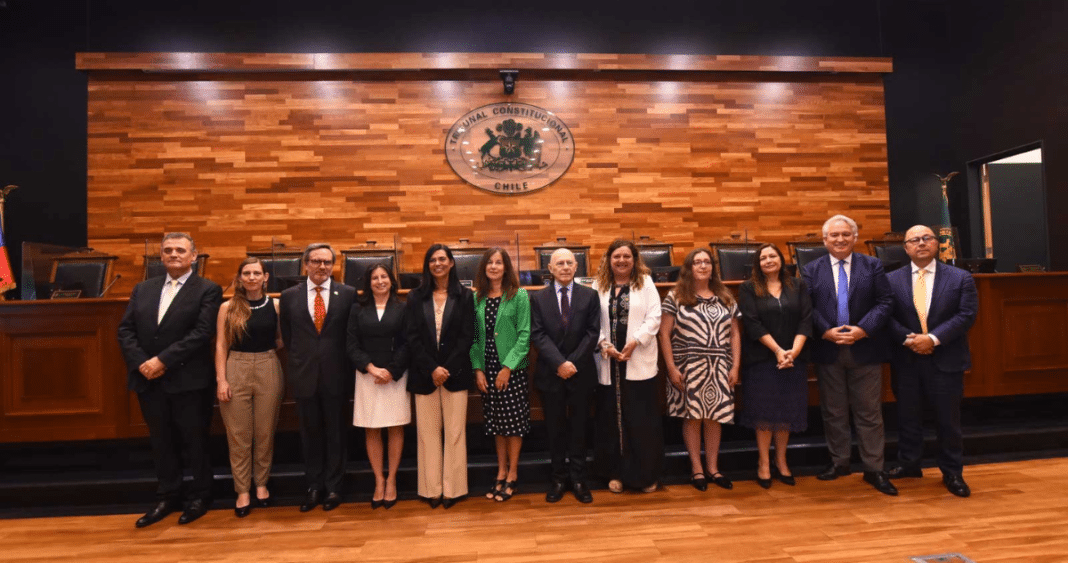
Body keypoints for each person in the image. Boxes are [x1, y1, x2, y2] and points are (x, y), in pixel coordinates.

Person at [117, 232, 222, 527]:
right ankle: (168, 494)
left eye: (180, 250)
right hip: (149, 379)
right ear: (160, 257)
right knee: (160, 440)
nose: (174, 254)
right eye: (168, 250)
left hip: (188, 378)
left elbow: (202, 333)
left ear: (193, 256)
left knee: (194, 440)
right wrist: (143, 364)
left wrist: (162, 361)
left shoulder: (208, 289)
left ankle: (201, 495)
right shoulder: (143, 289)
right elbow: (125, 331)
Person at [802, 214, 896, 496]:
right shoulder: (810, 269)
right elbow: (807, 306)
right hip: (828, 348)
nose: (840, 239)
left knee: (869, 412)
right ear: (824, 240)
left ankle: (874, 468)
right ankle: (839, 462)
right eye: (834, 235)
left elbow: (885, 301)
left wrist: (863, 329)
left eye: (846, 234)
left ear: (855, 238)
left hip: (865, 348)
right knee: (834, 411)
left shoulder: (873, 265)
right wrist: (826, 331)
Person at [885, 225, 978, 497]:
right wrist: (910, 339)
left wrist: (933, 339)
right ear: (905, 248)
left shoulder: (961, 278)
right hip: (906, 357)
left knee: (948, 419)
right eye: (914, 240)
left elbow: (966, 315)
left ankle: (952, 472)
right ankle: (909, 463)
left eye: (927, 238)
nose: (921, 243)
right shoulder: (891, 280)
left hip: (945, 357)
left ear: (937, 244)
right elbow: (886, 316)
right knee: (907, 415)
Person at [279, 243, 356, 512]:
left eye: (326, 262)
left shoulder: (347, 294)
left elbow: (350, 335)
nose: (321, 266)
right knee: (310, 434)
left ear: (333, 265)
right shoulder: (289, 296)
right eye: (316, 261)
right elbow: (289, 337)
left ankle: (334, 487)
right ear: (306, 264)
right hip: (304, 375)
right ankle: (314, 486)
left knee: (336, 433)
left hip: (337, 374)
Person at [659, 247, 740, 492]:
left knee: (715, 417)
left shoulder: (725, 296)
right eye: (697, 262)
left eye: (707, 262)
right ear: (689, 267)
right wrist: (671, 368)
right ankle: (696, 469)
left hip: (720, 366)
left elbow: (735, 333)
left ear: (713, 267)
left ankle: (713, 468)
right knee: (692, 417)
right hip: (688, 366)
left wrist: (735, 365)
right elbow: (664, 334)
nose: (703, 266)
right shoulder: (676, 295)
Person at [405, 244, 475, 509]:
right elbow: (411, 337)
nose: (438, 263)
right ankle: (431, 489)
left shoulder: (465, 296)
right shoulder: (415, 297)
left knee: (455, 432)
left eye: (442, 259)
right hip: (425, 376)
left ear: (452, 263)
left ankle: (453, 489)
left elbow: (467, 336)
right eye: (432, 259)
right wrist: (432, 368)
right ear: (427, 264)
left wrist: (446, 368)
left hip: (454, 374)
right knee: (427, 434)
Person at [737, 244, 812, 489]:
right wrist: (778, 351)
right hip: (762, 360)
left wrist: (794, 351)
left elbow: (805, 319)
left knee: (786, 414)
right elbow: (752, 323)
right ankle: (763, 463)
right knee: (764, 414)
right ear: (757, 264)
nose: (768, 260)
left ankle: (781, 461)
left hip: (793, 359)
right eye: (763, 257)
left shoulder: (797, 285)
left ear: (781, 259)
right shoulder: (748, 288)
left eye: (773, 256)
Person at [530, 248, 601, 503]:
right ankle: (559, 479)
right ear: (550, 269)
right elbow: (537, 334)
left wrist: (572, 362)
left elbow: (593, 333)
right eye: (559, 263)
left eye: (569, 262)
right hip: (551, 374)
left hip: (581, 373)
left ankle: (579, 479)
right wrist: (560, 363)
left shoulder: (590, 296)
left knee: (580, 428)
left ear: (576, 267)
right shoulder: (537, 299)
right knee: (555, 429)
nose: (565, 267)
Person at [214, 257, 284, 517]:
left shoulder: (276, 305)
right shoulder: (228, 307)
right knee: (239, 434)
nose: (252, 277)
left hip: (268, 365)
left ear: (265, 277)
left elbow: (281, 338)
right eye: (247, 273)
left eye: (257, 273)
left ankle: (262, 484)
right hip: (236, 366)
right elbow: (221, 345)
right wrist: (222, 379)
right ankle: (243, 489)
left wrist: (263, 355)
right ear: (240, 277)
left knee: (265, 431)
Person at [592, 239, 663, 493]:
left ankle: (644, 475)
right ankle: (616, 472)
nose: (621, 261)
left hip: (637, 358)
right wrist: (604, 345)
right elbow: (591, 321)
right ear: (608, 260)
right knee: (612, 420)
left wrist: (635, 341)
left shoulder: (646, 283)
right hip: (609, 361)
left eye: (626, 256)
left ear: (634, 260)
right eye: (616, 256)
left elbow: (655, 317)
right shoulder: (598, 285)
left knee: (641, 419)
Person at [346, 264, 409, 509]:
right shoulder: (356, 309)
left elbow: (407, 343)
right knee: (371, 427)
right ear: (368, 282)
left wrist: (391, 371)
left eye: (384, 277)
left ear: (392, 281)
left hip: (395, 375)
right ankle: (378, 480)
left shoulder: (402, 309)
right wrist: (371, 368)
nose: (380, 281)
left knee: (395, 426)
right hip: (367, 376)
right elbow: (351, 344)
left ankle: (392, 479)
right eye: (375, 277)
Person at [470, 247, 531, 502]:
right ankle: (501, 470)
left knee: (513, 425)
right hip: (488, 369)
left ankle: (513, 474)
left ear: (506, 267)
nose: (494, 267)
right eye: (490, 263)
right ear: (484, 268)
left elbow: (525, 334)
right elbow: (473, 338)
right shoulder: (477, 298)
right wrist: (478, 369)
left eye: (499, 263)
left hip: (511, 370)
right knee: (496, 423)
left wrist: (507, 368)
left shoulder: (519, 296)